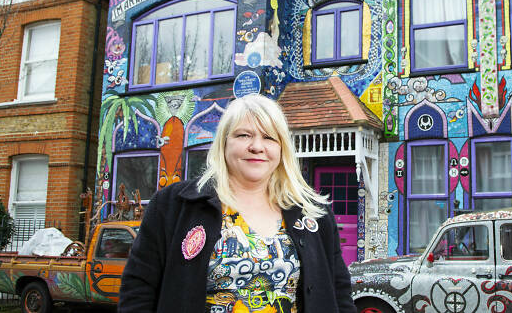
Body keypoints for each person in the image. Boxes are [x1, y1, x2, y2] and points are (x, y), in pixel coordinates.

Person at [119, 93, 355, 313]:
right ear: (224, 143)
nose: (257, 146)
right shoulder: (173, 205)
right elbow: (138, 291)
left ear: (282, 148)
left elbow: (339, 291)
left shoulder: (313, 213)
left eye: (269, 137)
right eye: (244, 135)